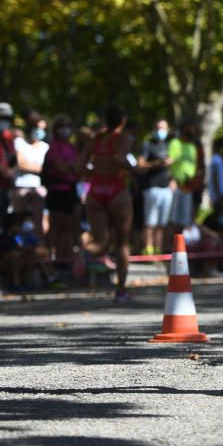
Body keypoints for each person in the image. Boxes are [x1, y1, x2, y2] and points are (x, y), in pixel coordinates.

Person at [81, 103, 135, 300]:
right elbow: (120, 159)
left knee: (101, 240)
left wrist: (95, 172)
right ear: (123, 120)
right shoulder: (124, 139)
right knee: (122, 242)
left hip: (96, 189)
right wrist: (135, 170)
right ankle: (121, 289)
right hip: (116, 189)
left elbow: (80, 166)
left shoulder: (94, 141)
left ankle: (84, 251)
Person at [43, 115, 80, 263]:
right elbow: (60, 167)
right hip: (56, 190)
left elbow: (78, 169)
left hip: (70, 190)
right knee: (56, 226)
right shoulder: (54, 147)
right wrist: (70, 167)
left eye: (68, 126)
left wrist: (70, 168)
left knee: (69, 227)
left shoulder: (72, 148)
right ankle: (50, 259)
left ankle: (65, 259)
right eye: (62, 126)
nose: (66, 129)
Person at [139, 118, 173, 256]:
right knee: (150, 222)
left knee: (162, 223)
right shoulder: (147, 145)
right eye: (159, 128)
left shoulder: (170, 145)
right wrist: (157, 163)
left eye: (164, 128)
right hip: (152, 187)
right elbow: (141, 164)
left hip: (166, 188)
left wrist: (173, 180)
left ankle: (159, 250)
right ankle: (148, 249)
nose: (161, 131)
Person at [12, 114, 49, 241]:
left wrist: (29, 166)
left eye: (43, 128)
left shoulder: (45, 147)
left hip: (37, 187)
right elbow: (21, 163)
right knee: (18, 219)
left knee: (39, 221)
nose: (40, 131)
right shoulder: (20, 142)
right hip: (20, 186)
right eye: (38, 127)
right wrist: (38, 168)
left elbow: (46, 168)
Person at [168, 121, 198, 236]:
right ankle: (167, 247)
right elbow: (170, 162)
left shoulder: (192, 147)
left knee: (183, 220)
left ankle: (178, 247)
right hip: (176, 185)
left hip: (187, 186)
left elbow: (193, 167)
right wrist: (172, 179)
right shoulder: (175, 143)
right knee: (172, 218)